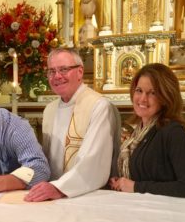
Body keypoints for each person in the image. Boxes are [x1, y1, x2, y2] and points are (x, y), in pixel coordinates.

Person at [24, 48, 121, 202]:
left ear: (80, 72)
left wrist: (59, 187)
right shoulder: (50, 109)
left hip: (88, 195)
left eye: (63, 69)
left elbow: (94, 162)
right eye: (51, 71)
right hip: (52, 193)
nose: (57, 76)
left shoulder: (98, 105)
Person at [109, 63, 185, 198]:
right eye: (139, 90)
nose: (143, 99)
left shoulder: (173, 132)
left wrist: (135, 186)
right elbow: (141, 173)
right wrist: (120, 181)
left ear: (165, 97)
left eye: (153, 93)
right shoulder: (138, 133)